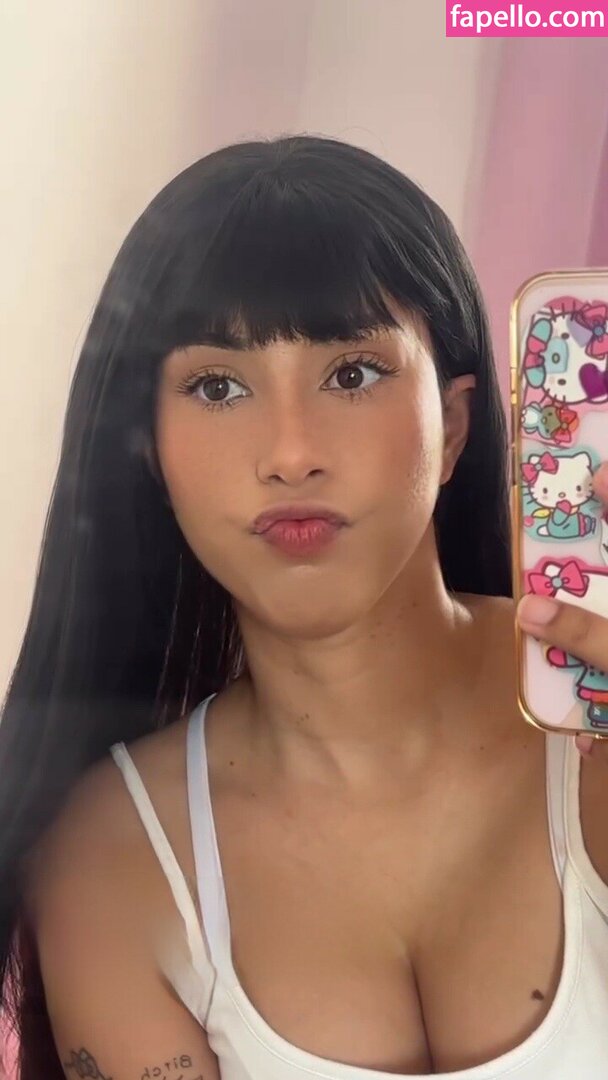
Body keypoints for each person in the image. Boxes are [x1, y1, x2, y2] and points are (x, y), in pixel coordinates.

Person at [1, 134, 607, 1080]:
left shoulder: (590, 732)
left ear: (451, 425)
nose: (290, 454)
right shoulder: (112, 859)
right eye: (217, 386)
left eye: (352, 373)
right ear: (150, 450)